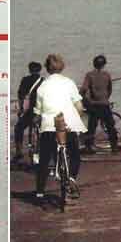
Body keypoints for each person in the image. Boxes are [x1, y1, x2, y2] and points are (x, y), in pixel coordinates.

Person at [33, 54, 86, 201]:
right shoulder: (69, 83)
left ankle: (40, 192)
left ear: (47, 68)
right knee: (75, 155)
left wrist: (37, 120)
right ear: (62, 67)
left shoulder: (42, 86)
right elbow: (79, 107)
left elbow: (37, 112)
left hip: (49, 127)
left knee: (44, 159)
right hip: (67, 125)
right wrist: (76, 120)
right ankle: (72, 179)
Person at [80, 55, 121, 153]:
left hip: (94, 105)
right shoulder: (107, 75)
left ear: (94, 64)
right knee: (110, 126)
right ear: (104, 64)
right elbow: (109, 90)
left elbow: (83, 89)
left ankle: (88, 147)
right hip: (104, 104)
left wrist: (85, 100)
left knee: (91, 127)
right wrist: (105, 98)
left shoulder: (89, 75)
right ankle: (114, 146)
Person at [13, 61, 44, 161]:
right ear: (40, 70)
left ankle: (19, 152)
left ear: (29, 70)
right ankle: (42, 152)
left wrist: (21, 109)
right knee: (43, 132)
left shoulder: (25, 80)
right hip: (42, 111)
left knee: (18, 128)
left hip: (31, 111)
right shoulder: (44, 81)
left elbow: (21, 96)